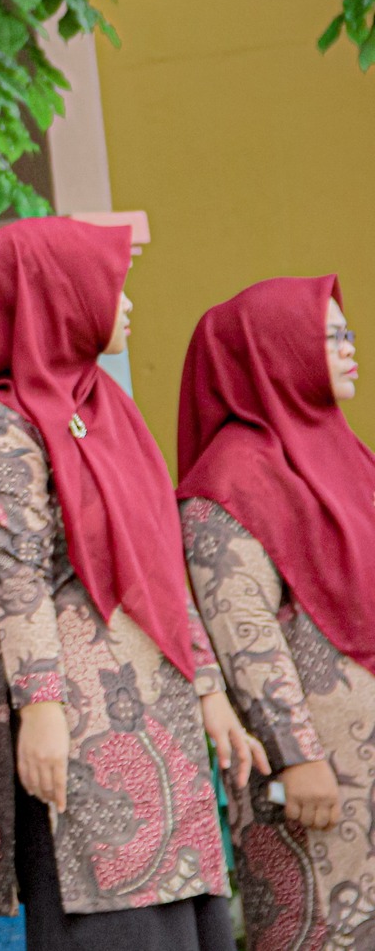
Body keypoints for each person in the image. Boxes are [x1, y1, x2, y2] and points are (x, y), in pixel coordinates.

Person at [0, 218, 268, 951]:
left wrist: (209, 687)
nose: (126, 304)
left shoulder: (102, 407)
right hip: (80, 728)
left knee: (183, 922)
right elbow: (15, 583)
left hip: (159, 716)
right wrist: (43, 708)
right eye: (109, 285)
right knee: (111, 921)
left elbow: (159, 559)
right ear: (57, 297)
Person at [177, 277, 375, 951]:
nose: (351, 349)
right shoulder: (228, 480)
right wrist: (296, 755)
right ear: (276, 351)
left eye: (348, 333)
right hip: (319, 776)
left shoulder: (344, 455)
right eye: (331, 336)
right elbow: (245, 633)